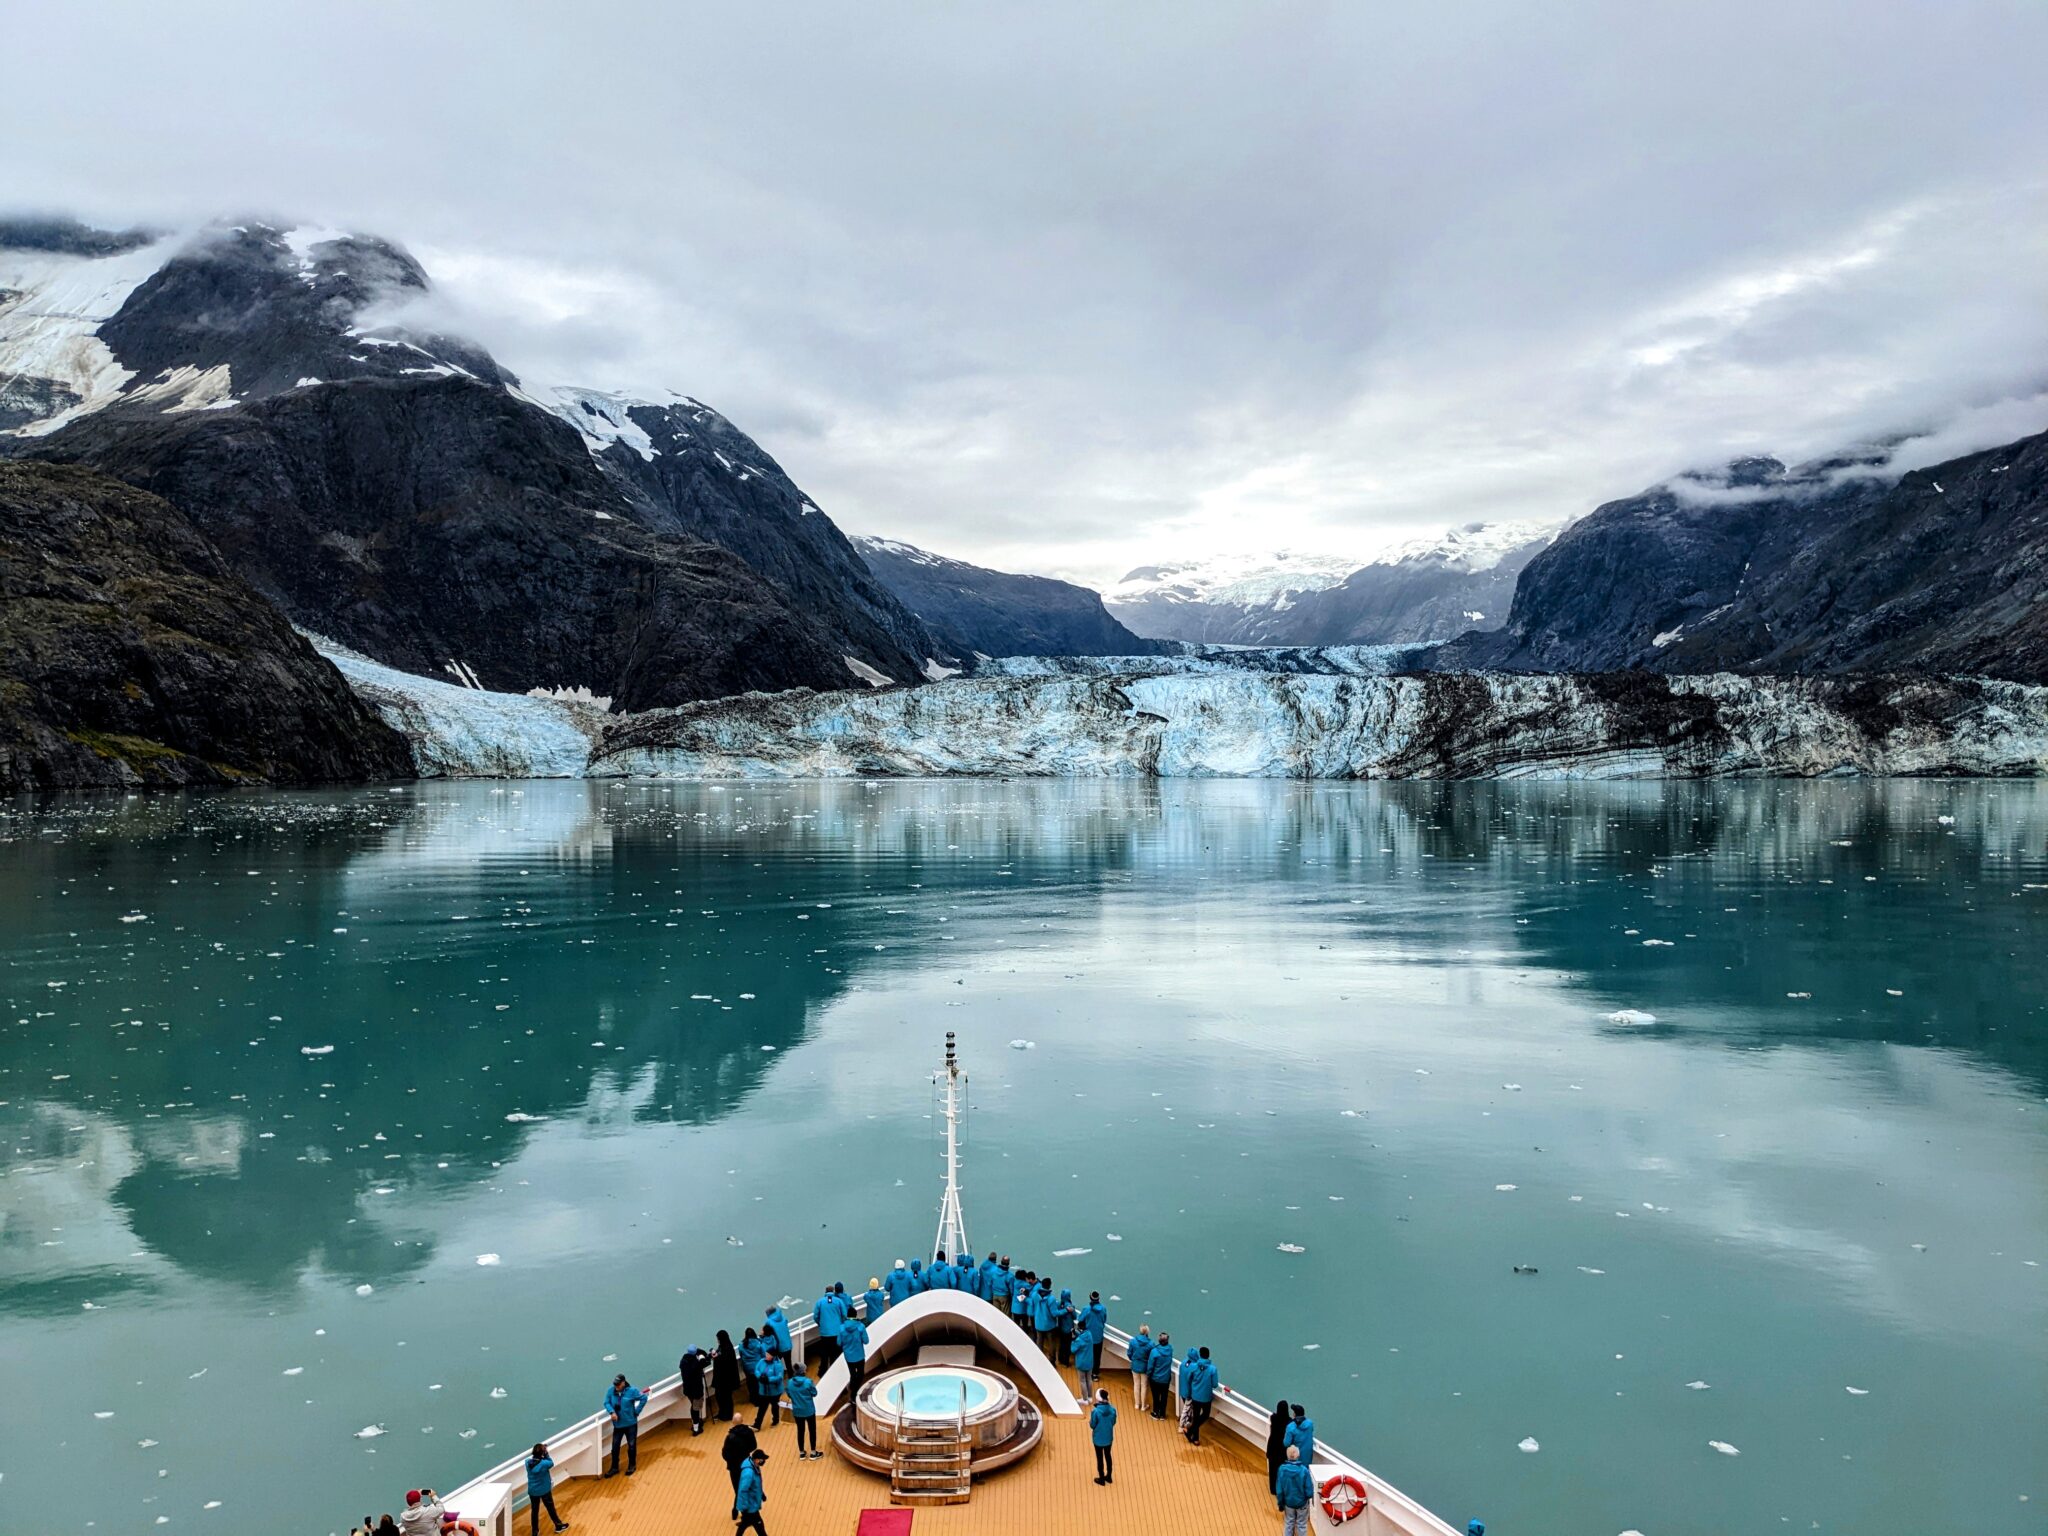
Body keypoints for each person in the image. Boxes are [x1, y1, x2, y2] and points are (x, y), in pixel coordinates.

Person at [604, 1373, 648, 1476]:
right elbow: (606, 1402)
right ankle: (614, 1468)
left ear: (623, 1383)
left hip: (630, 1424)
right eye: (615, 1385)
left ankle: (632, 1465)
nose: (616, 1387)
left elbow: (643, 1398)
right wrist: (612, 1412)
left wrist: (636, 1412)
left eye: (618, 1385)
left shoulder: (632, 1391)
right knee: (615, 1447)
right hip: (618, 1425)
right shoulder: (611, 1391)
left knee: (631, 1445)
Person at [525, 1443, 569, 1536]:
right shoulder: (545, 1463)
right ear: (543, 1453)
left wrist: (542, 1453)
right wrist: (546, 1453)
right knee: (550, 1508)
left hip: (533, 1491)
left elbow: (535, 1461)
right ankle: (558, 1526)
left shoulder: (527, 1462)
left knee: (534, 1511)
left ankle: (535, 1532)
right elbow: (551, 1462)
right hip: (544, 1490)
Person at [720, 1421, 759, 1514]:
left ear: (733, 1423)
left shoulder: (730, 1437)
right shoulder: (749, 1432)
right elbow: (754, 1446)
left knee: (737, 1488)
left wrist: (730, 1460)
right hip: (746, 1465)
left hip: (734, 1467)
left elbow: (725, 1453)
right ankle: (737, 1509)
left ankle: (738, 1510)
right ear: (742, 1421)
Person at [1276, 1445, 1315, 1536]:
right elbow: (1309, 1490)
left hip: (1288, 1502)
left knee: (1289, 1523)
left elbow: (1279, 1490)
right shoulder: (1304, 1470)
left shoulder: (1282, 1470)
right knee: (1301, 1524)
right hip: (1301, 1503)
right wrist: (1308, 1497)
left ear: (1287, 1456)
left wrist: (1281, 1503)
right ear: (1298, 1455)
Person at [785, 1362, 820, 1459]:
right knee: (812, 1430)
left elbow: (788, 1394)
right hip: (809, 1410)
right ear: (803, 1371)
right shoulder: (808, 1382)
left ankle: (801, 1453)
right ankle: (813, 1452)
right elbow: (814, 1393)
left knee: (800, 1431)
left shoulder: (790, 1382)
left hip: (797, 1411)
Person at [1182, 1347, 1217, 1444]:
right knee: (1205, 1415)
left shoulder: (1193, 1367)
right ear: (1208, 1355)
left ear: (1200, 1355)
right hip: (1206, 1397)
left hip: (1195, 1396)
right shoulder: (1212, 1369)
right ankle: (1190, 1432)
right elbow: (1215, 1384)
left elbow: (1189, 1379)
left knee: (1196, 1416)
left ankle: (1195, 1438)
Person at [734, 1449, 770, 1536]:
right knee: (759, 1525)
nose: (763, 1461)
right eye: (762, 1460)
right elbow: (743, 1490)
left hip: (751, 1503)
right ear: (757, 1460)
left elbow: (755, 1485)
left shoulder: (754, 1466)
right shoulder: (748, 1473)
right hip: (750, 1505)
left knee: (745, 1523)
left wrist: (762, 1494)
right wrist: (745, 1507)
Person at [1088, 1387, 1117, 1485]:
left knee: (1100, 1458)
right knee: (1108, 1456)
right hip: (1108, 1437)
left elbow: (1092, 1425)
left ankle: (1101, 1478)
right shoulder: (1113, 1410)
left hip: (1098, 1439)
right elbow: (1113, 1422)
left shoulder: (1095, 1412)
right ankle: (1109, 1476)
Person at [679, 1346, 710, 1435]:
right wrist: (701, 1355)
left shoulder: (683, 1361)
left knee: (693, 1406)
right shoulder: (697, 1363)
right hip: (696, 1390)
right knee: (695, 1409)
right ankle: (696, 1429)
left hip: (688, 1390)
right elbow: (706, 1361)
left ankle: (695, 1423)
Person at [838, 1309, 871, 1393]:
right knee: (860, 1374)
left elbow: (838, 1342)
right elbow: (866, 1341)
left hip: (848, 1356)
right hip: (859, 1355)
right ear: (856, 1315)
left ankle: (852, 1388)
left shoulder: (841, 1328)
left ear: (847, 1316)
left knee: (852, 1374)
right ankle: (855, 1391)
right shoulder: (860, 1326)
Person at [752, 1350, 786, 1429]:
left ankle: (775, 1420)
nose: (766, 1355)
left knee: (774, 1406)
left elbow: (779, 1377)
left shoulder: (777, 1365)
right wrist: (760, 1376)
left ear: (773, 1356)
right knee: (762, 1408)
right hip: (763, 1390)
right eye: (766, 1354)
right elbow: (756, 1370)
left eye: (768, 1354)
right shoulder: (761, 1361)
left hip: (774, 1391)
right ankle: (757, 1425)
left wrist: (768, 1379)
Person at [811, 1288, 844, 1371]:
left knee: (825, 1353)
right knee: (835, 1353)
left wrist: (820, 1324)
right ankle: (835, 1370)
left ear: (825, 1292)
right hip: (837, 1332)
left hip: (825, 1332)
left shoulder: (820, 1302)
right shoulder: (839, 1301)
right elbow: (844, 1314)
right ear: (833, 1291)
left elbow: (815, 1316)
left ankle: (823, 1371)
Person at [712, 1330, 741, 1421]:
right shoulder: (724, 1346)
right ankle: (722, 1413)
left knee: (726, 1397)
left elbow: (725, 1362)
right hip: (722, 1378)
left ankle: (727, 1415)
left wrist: (716, 1358)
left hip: (726, 1378)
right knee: (720, 1396)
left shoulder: (727, 1348)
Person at [1264, 1399, 1293, 1493]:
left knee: (1273, 1469)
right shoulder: (1289, 1422)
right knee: (1282, 1469)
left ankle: (1273, 1489)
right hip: (1282, 1449)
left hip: (1273, 1446)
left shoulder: (1274, 1418)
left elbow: (1273, 1415)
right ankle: (1281, 1489)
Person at [1127, 1325, 1155, 1413]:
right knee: (1144, 1385)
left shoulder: (1133, 1341)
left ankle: (1136, 1404)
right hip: (1145, 1367)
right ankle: (1143, 1406)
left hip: (1135, 1365)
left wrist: (1133, 1359)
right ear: (1147, 1332)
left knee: (1136, 1384)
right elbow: (1152, 1356)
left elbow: (1129, 1353)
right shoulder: (1150, 1344)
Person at [1146, 1330, 1174, 1417]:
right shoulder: (1170, 1350)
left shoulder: (1154, 1351)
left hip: (1155, 1378)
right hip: (1165, 1378)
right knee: (1164, 1397)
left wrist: (1148, 1374)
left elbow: (1150, 1365)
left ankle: (1155, 1412)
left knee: (1156, 1396)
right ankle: (1162, 1414)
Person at [1029, 1277, 1058, 1355]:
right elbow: (1054, 1313)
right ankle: (1052, 1360)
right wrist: (1065, 1310)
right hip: (1049, 1325)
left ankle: (1039, 1358)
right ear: (1050, 1285)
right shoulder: (1051, 1299)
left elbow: (1031, 1303)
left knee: (1039, 1342)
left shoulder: (1034, 1295)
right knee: (1051, 1343)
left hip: (1038, 1323)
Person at [1072, 1320, 1098, 1401]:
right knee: (1089, 1379)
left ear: (1079, 1328)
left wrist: (1073, 1339)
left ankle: (1084, 1399)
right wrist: (1077, 1334)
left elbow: (1073, 1349)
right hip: (1089, 1361)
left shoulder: (1079, 1340)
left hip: (1081, 1363)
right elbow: (1082, 1336)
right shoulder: (1089, 1334)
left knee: (1082, 1381)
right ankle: (1090, 1397)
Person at [739, 1326, 766, 1404]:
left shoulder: (742, 1345)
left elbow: (741, 1354)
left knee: (750, 1384)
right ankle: (760, 1399)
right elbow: (764, 1355)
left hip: (747, 1368)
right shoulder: (758, 1343)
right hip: (758, 1367)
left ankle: (753, 1398)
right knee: (759, 1383)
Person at [1283, 1403, 1315, 1468]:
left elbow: (1286, 1443)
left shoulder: (1291, 1427)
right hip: (1308, 1457)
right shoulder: (1310, 1424)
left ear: (1294, 1414)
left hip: (1296, 1458)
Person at [1080, 1291, 1108, 1359]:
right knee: (1097, 1357)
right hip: (1099, 1337)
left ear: (1090, 1298)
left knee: (1088, 1357)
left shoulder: (1086, 1309)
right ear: (1098, 1299)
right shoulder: (1103, 1309)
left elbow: (1080, 1320)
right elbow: (1104, 1320)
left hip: (1088, 1337)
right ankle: (1096, 1369)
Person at [1055, 1287, 1078, 1365]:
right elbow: (1075, 1316)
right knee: (1067, 1346)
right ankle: (1066, 1361)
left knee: (1061, 1344)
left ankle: (1060, 1359)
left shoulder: (1059, 1304)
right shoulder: (1070, 1306)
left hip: (1061, 1327)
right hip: (1068, 1329)